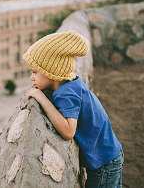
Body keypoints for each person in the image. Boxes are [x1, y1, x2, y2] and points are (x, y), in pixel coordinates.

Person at [24, 31, 123, 188]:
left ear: (52, 70)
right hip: (109, 155)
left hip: (104, 164)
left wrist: (40, 97)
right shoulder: (71, 83)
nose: (32, 78)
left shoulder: (66, 93)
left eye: (34, 72)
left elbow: (68, 132)